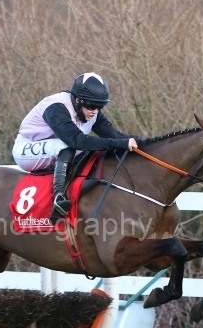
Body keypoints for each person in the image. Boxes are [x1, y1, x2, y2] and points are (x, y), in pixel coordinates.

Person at [13, 72, 140, 224]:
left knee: (95, 151)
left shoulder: (91, 112)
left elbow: (116, 137)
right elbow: (77, 141)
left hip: (57, 148)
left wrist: (145, 143)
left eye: (100, 106)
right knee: (68, 146)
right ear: (78, 100)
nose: (95, 111)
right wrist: (119, 144)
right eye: (92, 105)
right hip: (26, 149)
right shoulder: (56, 107)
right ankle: (58, 198)